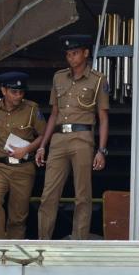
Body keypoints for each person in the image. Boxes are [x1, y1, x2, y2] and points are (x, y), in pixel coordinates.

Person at [36, 34, 109, 240]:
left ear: (86, 53)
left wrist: (101, 151)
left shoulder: (98, 79)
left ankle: (79, 243)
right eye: (68, 54)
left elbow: (103, 117)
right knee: (48, 195)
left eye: (75, 53)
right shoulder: (58, 77)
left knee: (82, 196)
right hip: (58, 140)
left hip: (82, 138)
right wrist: (43, 146)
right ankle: (43, 242)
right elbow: (54, 113)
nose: (71, 58)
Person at [0, 71, 46, 239]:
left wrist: (26, 150)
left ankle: (13, 252)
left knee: (18, 217)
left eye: (21, 92)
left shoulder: (32, 109)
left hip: (24, 168)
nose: (18, 96)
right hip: (0, 166)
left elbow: (44, 135)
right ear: (3, 90)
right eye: (14, 92)